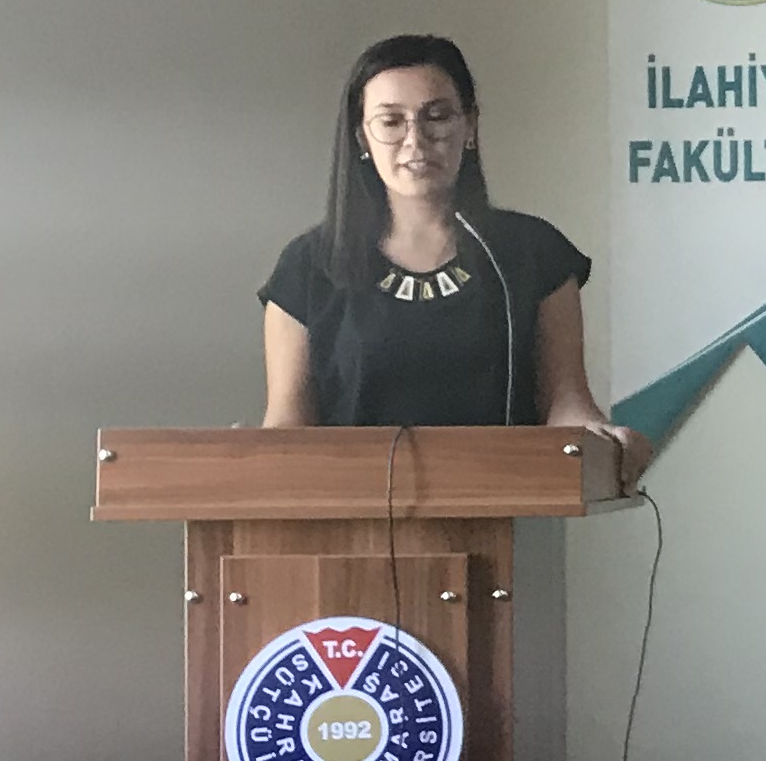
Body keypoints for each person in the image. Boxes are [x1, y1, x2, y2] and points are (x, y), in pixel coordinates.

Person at [262, 34, 642, 483]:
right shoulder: (308, 265)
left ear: (470, 126)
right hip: (348, 512)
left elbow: (566, 402)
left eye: (437, 116)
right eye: (391, 122)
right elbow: (288, 426)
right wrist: (248, 458)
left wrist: (603, 440)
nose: (416, 140)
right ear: (362, 137)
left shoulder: (532, 252)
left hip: (506, 500)